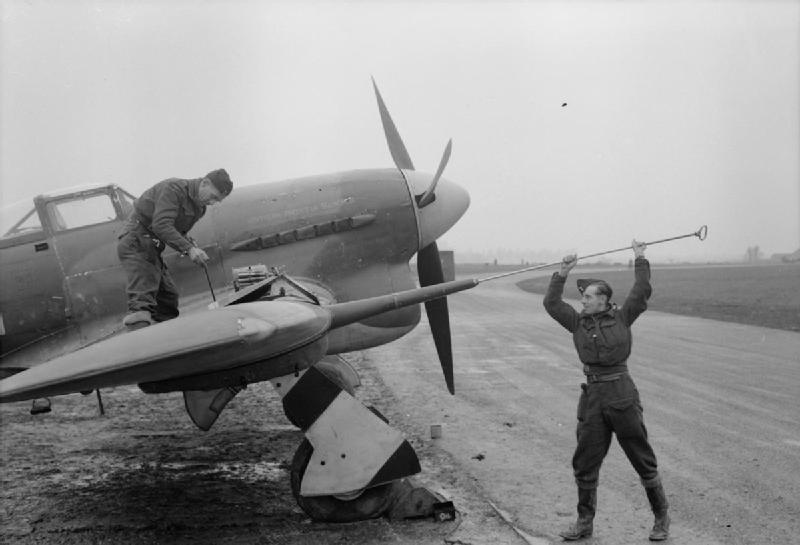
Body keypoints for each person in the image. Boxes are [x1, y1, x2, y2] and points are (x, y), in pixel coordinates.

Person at [543, 241, 669, 541]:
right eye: (582, 297)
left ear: (603, 300)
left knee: (642, 457)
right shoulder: (577, 323)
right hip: (593, 399)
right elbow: (551, 303)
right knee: (585, 462)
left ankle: (661, 518)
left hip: (622, 394)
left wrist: (640, 257)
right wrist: (562, 273)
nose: (582, 301)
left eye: (587, 297)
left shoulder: (623, 317)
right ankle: (584, 524)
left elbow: (641, 289)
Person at [117, 169, 233, 330]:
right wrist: (190, 249)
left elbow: (177, 231)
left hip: (153, 246)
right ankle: (139, 334)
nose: (212, 202)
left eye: (217, 201)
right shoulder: (173, 189)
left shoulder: (200, 208)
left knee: (168, 299)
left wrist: (191, 245)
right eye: (213, 197)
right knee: (142, 302)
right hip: (136, 240)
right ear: (205, 183)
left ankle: (164, 338)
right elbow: (161, 224)